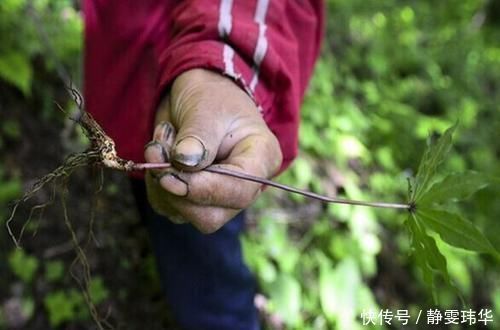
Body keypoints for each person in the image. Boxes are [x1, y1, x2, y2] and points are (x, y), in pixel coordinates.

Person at [83, 1, 323, 329]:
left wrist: (221, 63)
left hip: (197, 98)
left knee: (207, 267)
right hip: (132, 91)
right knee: (161, 206)